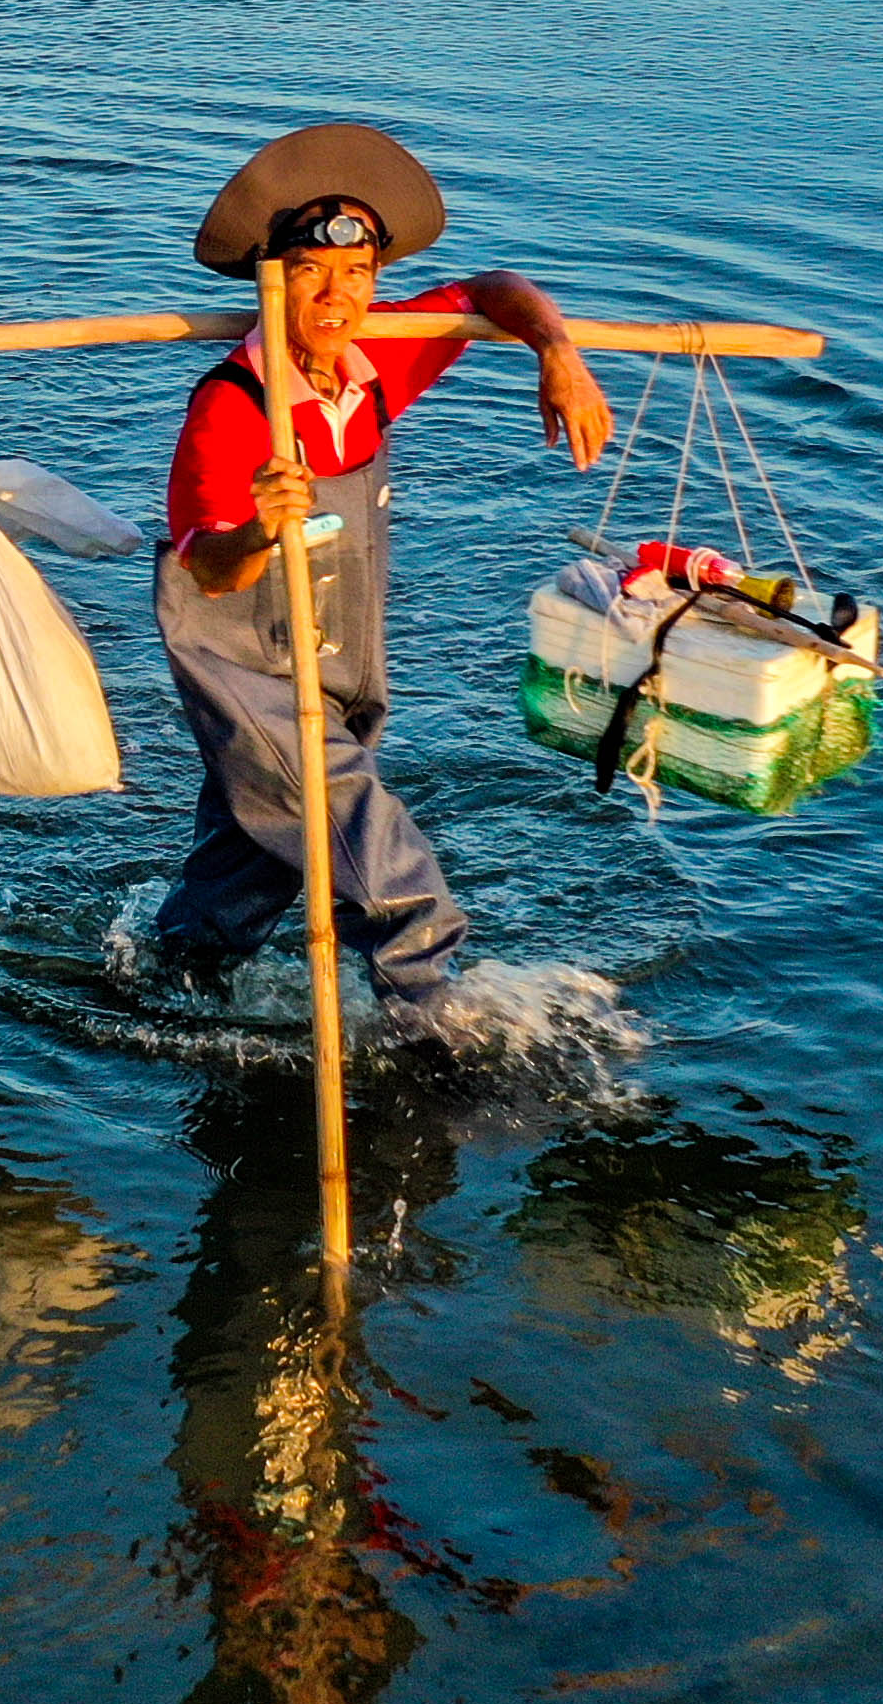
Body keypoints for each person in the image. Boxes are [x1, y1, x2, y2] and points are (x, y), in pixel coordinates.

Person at [147, 122, 613, 1026]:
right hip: (247, 672)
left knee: (264, 848)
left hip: (339, 658)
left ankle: (176, 977)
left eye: (356, 275)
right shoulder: (232, 409)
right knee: (363, 835)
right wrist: (255, 529)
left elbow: (492, 289)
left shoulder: (378, 360)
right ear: (269, 282)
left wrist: (557, 351)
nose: (335, 296)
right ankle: (431, 1012)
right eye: (311, 274)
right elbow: (205, 570)